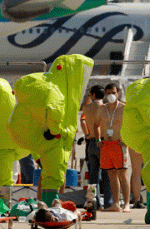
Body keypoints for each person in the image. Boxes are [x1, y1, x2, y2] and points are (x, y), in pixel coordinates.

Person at [8, 54, 94, 206]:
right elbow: (54, 110)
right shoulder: (57, 90)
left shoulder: (51, 86)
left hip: (45, 138)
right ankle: (49, 205)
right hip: (55, 137)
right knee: (54, 174)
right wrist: (55, 130)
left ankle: (45, 204)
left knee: (49, 174)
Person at [95, 86, 130, 212]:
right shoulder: (102, 108)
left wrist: (126, 139)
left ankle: (126, 204)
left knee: (122, 173)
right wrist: (98, 139)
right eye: (109, 93)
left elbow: (131, 125)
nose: (111, 95)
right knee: (111, 174)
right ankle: (116, 203)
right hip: (106, 145)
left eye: (113, 93)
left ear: (118, 93)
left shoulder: (124, 107)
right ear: (105, 94)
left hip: (119, 145)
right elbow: (96, 124)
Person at [82, 85, 112, 210]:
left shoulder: (87, 108)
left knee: (93, 176)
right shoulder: (106, 108)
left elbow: (85, 104)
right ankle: (109, 203)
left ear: (92, 94)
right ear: (104, 95)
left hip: (92, 142)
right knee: (108, 174)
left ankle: (94, 203)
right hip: (104, 143)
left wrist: (89, 95)